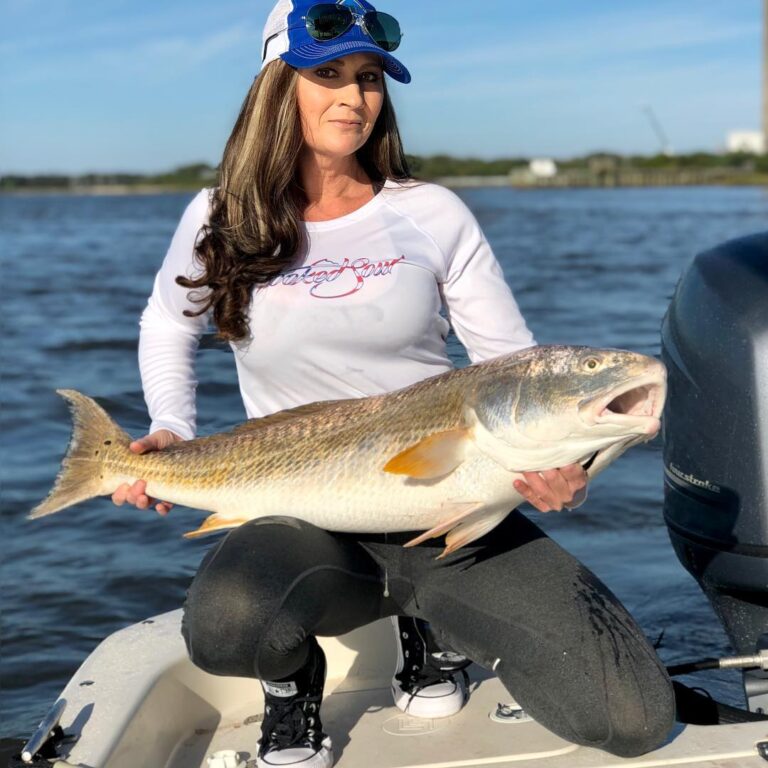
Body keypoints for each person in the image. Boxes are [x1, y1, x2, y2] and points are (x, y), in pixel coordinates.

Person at [112, 1, 675, 766]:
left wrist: (569, 471)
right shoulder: (221, 216)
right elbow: (166, 323)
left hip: (456, 509)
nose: (354, 97)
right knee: (226, 627)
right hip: (300, 513)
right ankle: (290, 685)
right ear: (279, 86)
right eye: (329, 74)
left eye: (370, 78)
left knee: (633, 718)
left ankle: (431, 629)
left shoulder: (431, 212)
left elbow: (512, 364)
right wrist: (171, 427)